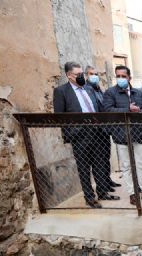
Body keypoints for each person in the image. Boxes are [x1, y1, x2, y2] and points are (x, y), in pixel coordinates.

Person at [53, 61, 115, 208]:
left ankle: (103, 192)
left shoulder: (89, 88)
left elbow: (98, 108)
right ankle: (90, 197)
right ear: (69, 76)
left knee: (99, 164)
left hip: (97, 132)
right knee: (84, 168)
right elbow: (59, 116)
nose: (81, 76)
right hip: (80, 136)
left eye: (82, 73)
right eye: (77, 74)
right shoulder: (61, 92)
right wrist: (71, 134)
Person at [103, 65, 142, 205]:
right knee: (127, 166)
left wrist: (139, 111)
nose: (121, 79)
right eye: (118, 76)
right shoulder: (110, 93)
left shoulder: (138, 93)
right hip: (121, 135)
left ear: (129, 77)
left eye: (123, 76)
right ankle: (132, 194)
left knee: (140, 164)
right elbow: (108, 110)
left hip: (138, 134)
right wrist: (128, 109)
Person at [85, 65, 121, 191]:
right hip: (95, 130)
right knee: (98, 160)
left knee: (106, 156)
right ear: (86, 75)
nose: (94, 76)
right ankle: (103, 186)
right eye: (91, 74)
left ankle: (107, 180)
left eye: (96, 74)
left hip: (104, 129)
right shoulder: (86, 90)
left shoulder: (99, 89)